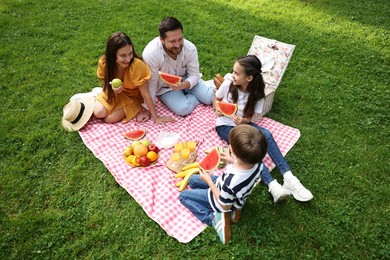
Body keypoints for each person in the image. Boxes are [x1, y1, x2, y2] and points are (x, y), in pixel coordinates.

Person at [215, 55, 313, 203]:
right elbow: (216, 100)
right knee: (249, 148)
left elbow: (250, 117)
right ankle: (272, 185)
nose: (232, 75)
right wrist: (220, 110)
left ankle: (288, 177)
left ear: (249, 78)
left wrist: (243, 120)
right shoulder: (228, 83)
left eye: (237, 73)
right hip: (224, 125)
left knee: (266, 134)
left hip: (243, 125)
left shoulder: (257, 94)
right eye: (233, 71)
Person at [179, 124, 268, 244]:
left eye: (231, 145)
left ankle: (213, 218)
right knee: (193, 180)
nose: (229, 145)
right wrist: (232, 161)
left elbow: (223, 203)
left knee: (183, 197)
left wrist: (209, 182)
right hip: (236, 198)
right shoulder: (259, 164)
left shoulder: (232, 181)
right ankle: (235, 211)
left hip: (220, 200)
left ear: (236, 153)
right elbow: (244, 169)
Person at [94, 32, 175, 124]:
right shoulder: (105, 63)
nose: (128, 59)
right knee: (99, 113)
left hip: (132, 98)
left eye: (130, 53)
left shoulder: (137, 66)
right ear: (112, 54)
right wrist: (112, 89)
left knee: (109, 119)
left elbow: (145, 93)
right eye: (123, 55)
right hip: (113, 93)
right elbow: (106, 83)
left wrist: (155, 117)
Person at [142, 17, 214, 116]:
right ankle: (200, 93)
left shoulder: (190, 48)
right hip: (165, 88)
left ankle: (204, 90)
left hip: (186, 80)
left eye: (180, 39)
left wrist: (184, 85)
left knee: (210, 98)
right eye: (172, 41)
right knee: (184, 109)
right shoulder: (151, 54)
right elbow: (151, 84)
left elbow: (194, 75)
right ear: (162, 39)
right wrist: (148, 109)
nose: (178, 45)